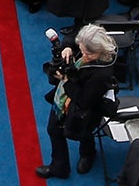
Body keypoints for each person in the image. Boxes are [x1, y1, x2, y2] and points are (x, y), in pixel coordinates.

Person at [38, 25, 118, 179]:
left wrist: (66, 81)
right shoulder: (87, 43)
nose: (84, 56)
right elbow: (71, 37)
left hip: (84, 109)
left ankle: (88, 154)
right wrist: (67, 47)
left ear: (101, 51)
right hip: (63, 100)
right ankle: (59, 168)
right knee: (54, 130)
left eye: (89, 54)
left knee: (84, 132)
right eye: (82, 50)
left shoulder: (102, 74)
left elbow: (84, 101)